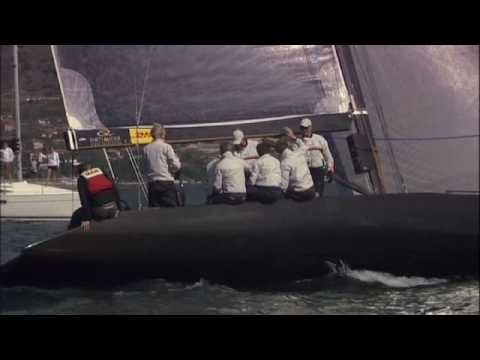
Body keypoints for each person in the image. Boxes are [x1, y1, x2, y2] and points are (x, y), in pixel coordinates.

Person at [68, 163, 122, 231]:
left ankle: (70, 234)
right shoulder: (101, 172)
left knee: (76, 215)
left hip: (100, 212)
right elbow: (115, 190)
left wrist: (87, 219)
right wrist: (119, 209)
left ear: (80, 172)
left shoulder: (82, 178)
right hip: (113, 208)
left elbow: (84, 200)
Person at [143, 123, 182, 207]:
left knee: (155, 211)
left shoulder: (146, 149)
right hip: (166, 183)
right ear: (162, 134)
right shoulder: (166, 147)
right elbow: (176, 165)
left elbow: (145, 166)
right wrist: (173, 170)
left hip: (152, 183)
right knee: (171, 210)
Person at [277, 128, 316, 202]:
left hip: (300, 193)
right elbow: (304, 147)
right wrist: (293, 137)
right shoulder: (299, 153)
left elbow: (284, 186)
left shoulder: (285, 163)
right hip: (311, 189)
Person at [299, 118, 334, 196]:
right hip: (305, 170)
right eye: (302, 128)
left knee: (318, 193)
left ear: (310, 127)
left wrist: (330, 169)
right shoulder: (298, 141)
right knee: (307, 193)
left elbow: (328, 155)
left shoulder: (320, 139)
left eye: (306, 128)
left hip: (318, 169)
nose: (304, 130)